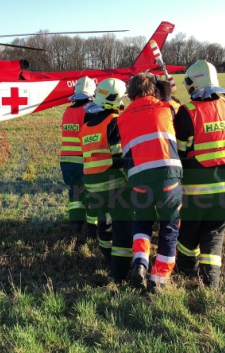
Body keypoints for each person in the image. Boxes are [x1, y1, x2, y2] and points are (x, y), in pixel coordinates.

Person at [173, 60, 225, 288]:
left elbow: (180, 152)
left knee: (190, 232)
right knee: (214, 235)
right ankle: (210, 284)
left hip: (198, 188)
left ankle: (185, 270)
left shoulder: (187, 111)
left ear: (193, 83)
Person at [117, 72, 183, 292]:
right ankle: (159, 279)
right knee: (170, 225)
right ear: (153, 90)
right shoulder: (167, 108)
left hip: (138, 178)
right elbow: (178, 108)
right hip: (167, 177)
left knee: (142, 222)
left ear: (131, 93)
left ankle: (140, 263)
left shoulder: (122, 117)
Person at [79, 78, 133, 282]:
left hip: (92, 184)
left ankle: (108, 258)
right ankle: (121, 270)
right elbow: (118, 155)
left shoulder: (87, 124)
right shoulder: (113, 121)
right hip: (113, 183)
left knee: (104, 222)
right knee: (122, 226)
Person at [59, 76, 99, 236]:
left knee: (75, 194)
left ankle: (76, 225)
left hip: (66, 161)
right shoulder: (89, 111)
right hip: (84, 161)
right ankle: (92, 229)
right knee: (91, 195)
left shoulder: (67, 111)